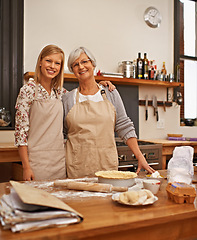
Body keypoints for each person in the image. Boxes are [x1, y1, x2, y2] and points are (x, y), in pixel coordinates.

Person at [15, 44, 114, 181]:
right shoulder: (28, 91)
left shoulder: (61, 93)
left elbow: (84, 93)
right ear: (40, 62)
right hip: (36, 160)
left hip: (60, 161)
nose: (52, 66)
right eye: (48, 61)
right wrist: (26, 167)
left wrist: (99, 85)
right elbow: (21, 133)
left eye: (57, 63)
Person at [62, 47, 155, 179]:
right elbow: (61, 133)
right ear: (72, 70)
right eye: (75, 64)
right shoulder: (67, 99)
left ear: (93, 64)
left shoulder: (110, 93)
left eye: (84, 62)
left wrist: (140, 156)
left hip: (107, 167)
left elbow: (124, 126)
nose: (81, 67)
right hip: (77, 168)